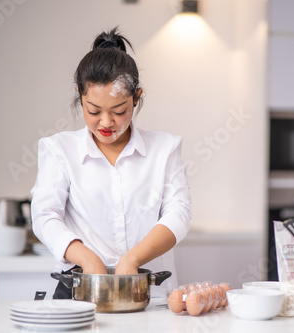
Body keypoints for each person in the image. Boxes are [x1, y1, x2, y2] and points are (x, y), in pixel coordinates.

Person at [30, 27, 191, 299]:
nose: (106, 123)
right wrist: (89, 260)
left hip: (148, 293)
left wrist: (132, 259)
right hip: (81, 290)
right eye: (93, 111)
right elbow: (45, 216)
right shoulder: (59, 150)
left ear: (136, 97)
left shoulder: (164, 149)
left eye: (119, 111)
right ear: (80, 96)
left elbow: (179, 213)